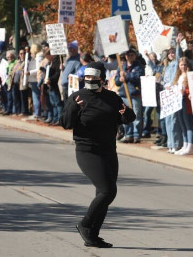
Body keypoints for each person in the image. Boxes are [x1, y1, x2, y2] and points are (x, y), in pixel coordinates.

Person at [61, 61, 135, 249]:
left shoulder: (112, 97)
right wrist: (73, 109)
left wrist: (126, 115)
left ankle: (92, 235)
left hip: (109, 151)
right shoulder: (77, 97)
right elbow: (65, 123)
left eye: (94, 77)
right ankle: (85, 225)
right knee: (108, 191)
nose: (90, 80)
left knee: (104, 195)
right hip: (87, 151)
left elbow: (127, 116)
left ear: (102, 78)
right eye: (87, 77)